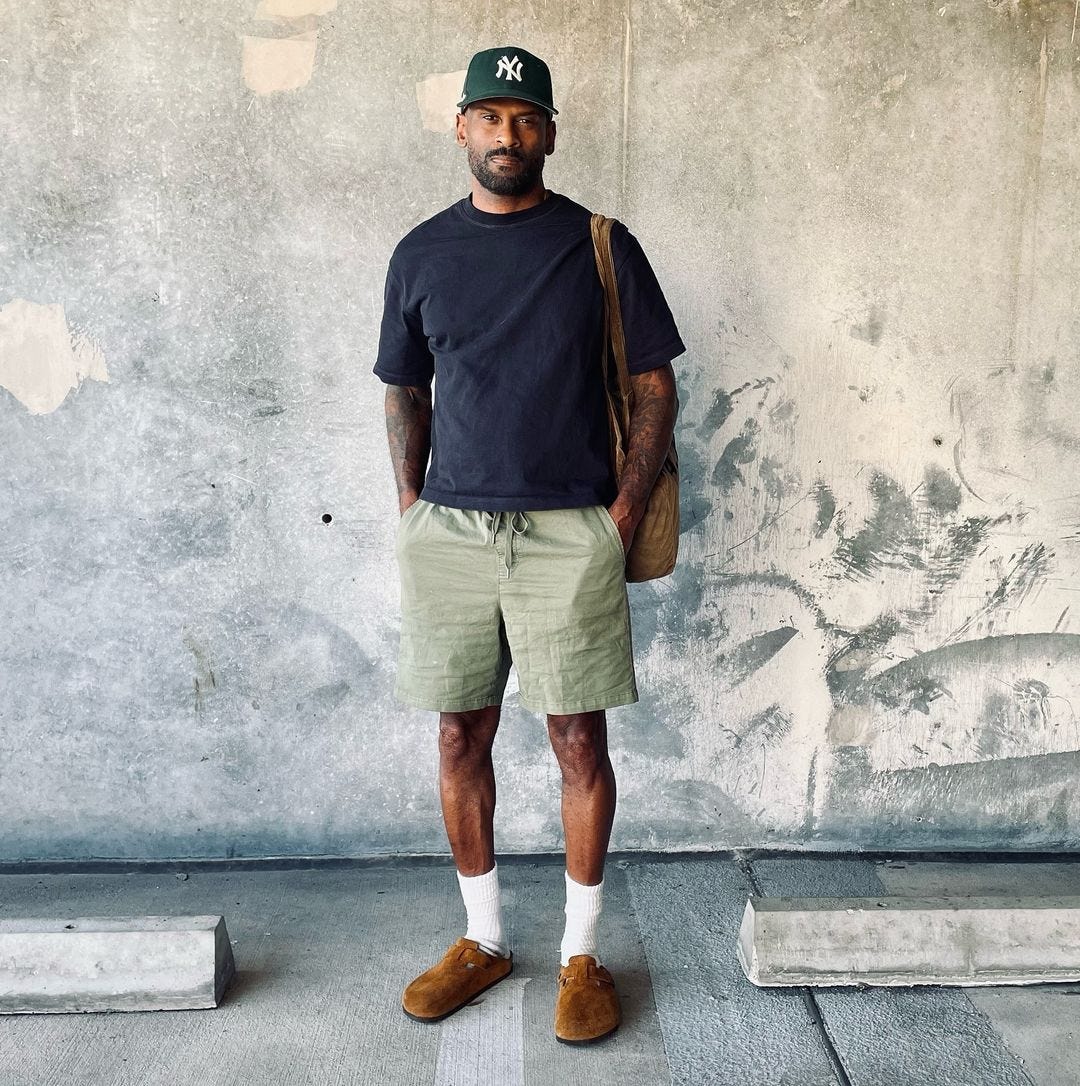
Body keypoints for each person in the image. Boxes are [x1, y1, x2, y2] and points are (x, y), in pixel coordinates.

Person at [374, 45, 684, 1045]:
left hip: (569, 532)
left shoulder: (600, 243)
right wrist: (414, 503)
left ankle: (583, 953)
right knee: (459, 735)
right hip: (452, 533)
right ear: (461, 127)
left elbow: (651, 386)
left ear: (549, 131)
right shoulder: (420, 253)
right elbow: (403, 388)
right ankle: (484, 939)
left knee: (576, 741)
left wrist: (621, 515)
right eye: (491, 116)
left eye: (528, 118)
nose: (509, 135)